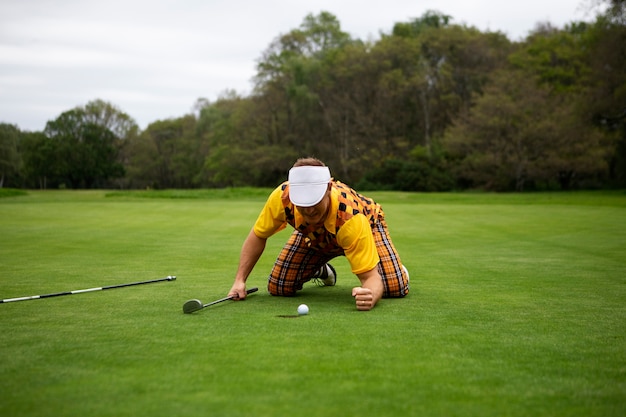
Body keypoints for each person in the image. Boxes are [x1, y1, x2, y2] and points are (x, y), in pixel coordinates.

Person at [227, 157, 410, 311]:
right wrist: (239, 281)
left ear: (329, 187)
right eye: (302, 203)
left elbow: (370, 278)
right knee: (279, 286)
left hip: (367, 225)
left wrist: (370, 295)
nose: (309, 210)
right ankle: (320, 270)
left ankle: (394, 269)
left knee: (393, 287)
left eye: (314, 201)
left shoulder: (351, 218)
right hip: (313, 235)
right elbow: (258, 235)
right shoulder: (282, 198)